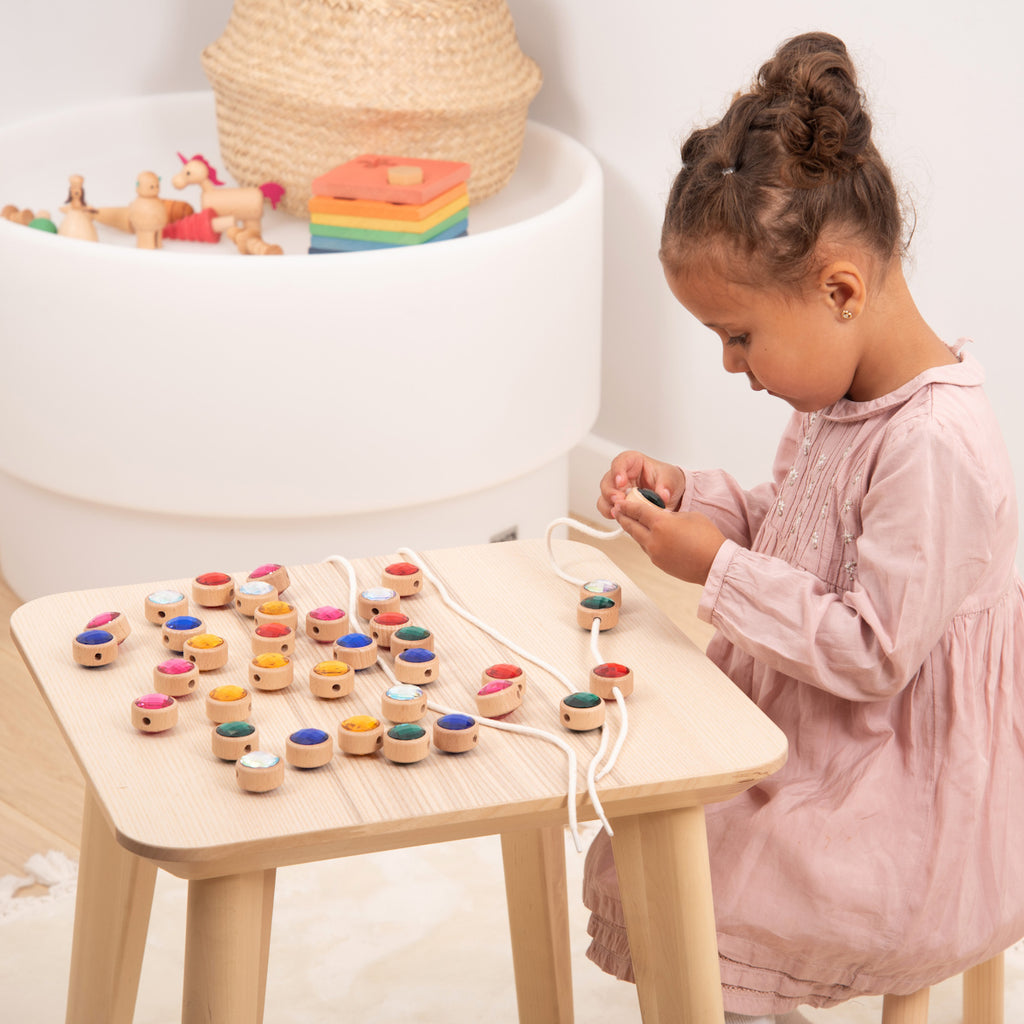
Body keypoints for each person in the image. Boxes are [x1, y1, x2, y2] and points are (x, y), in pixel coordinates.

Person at [584, 30, 1024, 1023]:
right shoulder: (836, 396)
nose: (732, 366)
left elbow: (872, 651)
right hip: (812, 723)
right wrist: (692, 501)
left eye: (737, 335)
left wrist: (718, 572)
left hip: (901, 778)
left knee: (722, 880)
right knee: (660, 816)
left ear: (837, 289)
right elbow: (796, 534)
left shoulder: (934, 444)